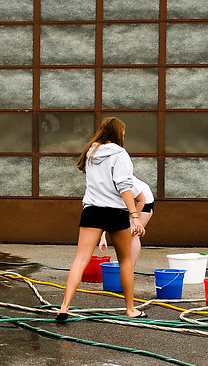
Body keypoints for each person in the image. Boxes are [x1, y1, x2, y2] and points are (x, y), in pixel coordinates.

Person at [56, 117, 146, 321]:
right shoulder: (120, 154)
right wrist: (134, 215)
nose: (124, 137)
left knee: (80, 259)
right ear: (117, 134)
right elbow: (124, 187)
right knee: (125, 261)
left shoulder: (91, 152)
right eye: (123, 133)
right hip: (115, 211)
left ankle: (64, 307)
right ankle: (131, 309)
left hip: (92, 210)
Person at [98, 177, 154, 268]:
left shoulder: (122, 179)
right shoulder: (102, 188)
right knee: (124, 233)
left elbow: (142, 200)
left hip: (143, 200)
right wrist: (102, 236)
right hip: (126, 201)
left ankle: (129, 270)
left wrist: (133, 221)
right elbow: (105, 213)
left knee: (133, 234)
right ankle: (125, 269)